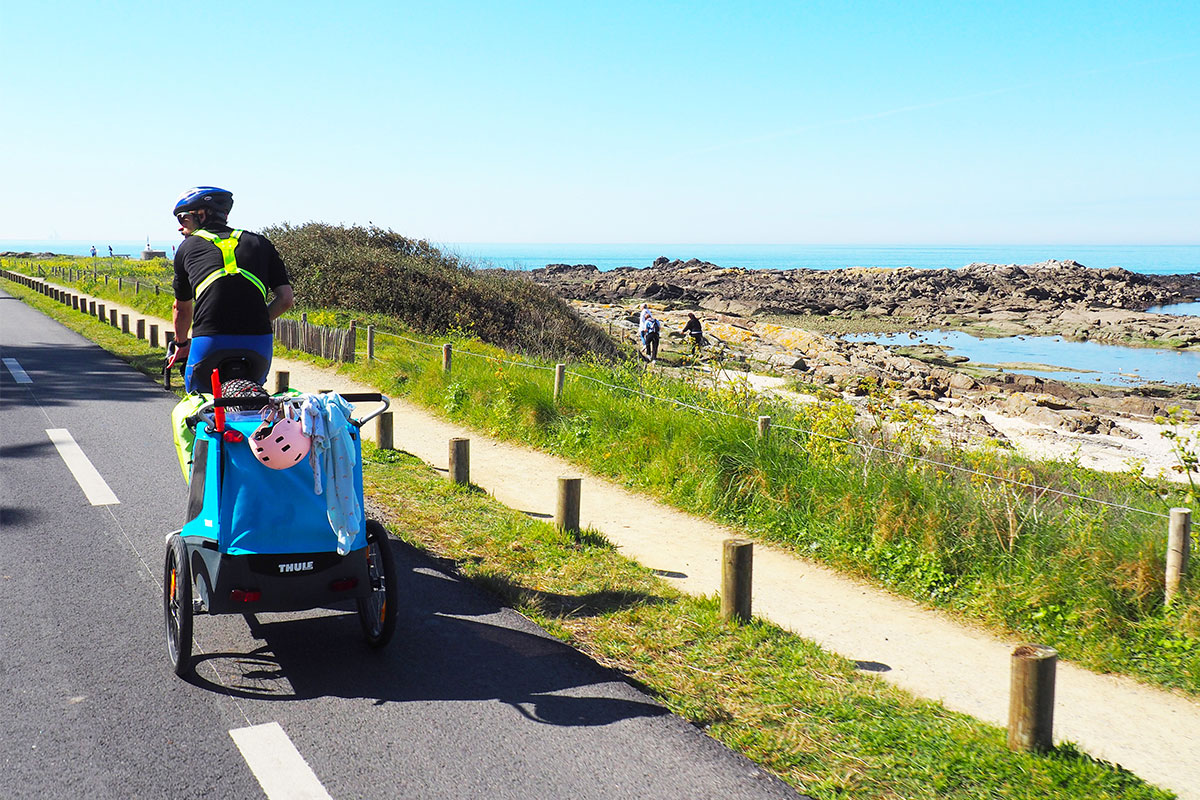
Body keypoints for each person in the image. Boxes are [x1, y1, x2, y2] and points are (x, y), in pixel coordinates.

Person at [167, 186, 294, 393]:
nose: (180, 227)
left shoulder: (186, 248)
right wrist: (257, 319)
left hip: (210, 339)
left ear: (202, 215)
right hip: (258, 339)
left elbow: (181, 309)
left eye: (183, 219)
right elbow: (286, 299)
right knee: (253, 398)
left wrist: (181, 345)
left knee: (199, 402)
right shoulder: (261, 242)